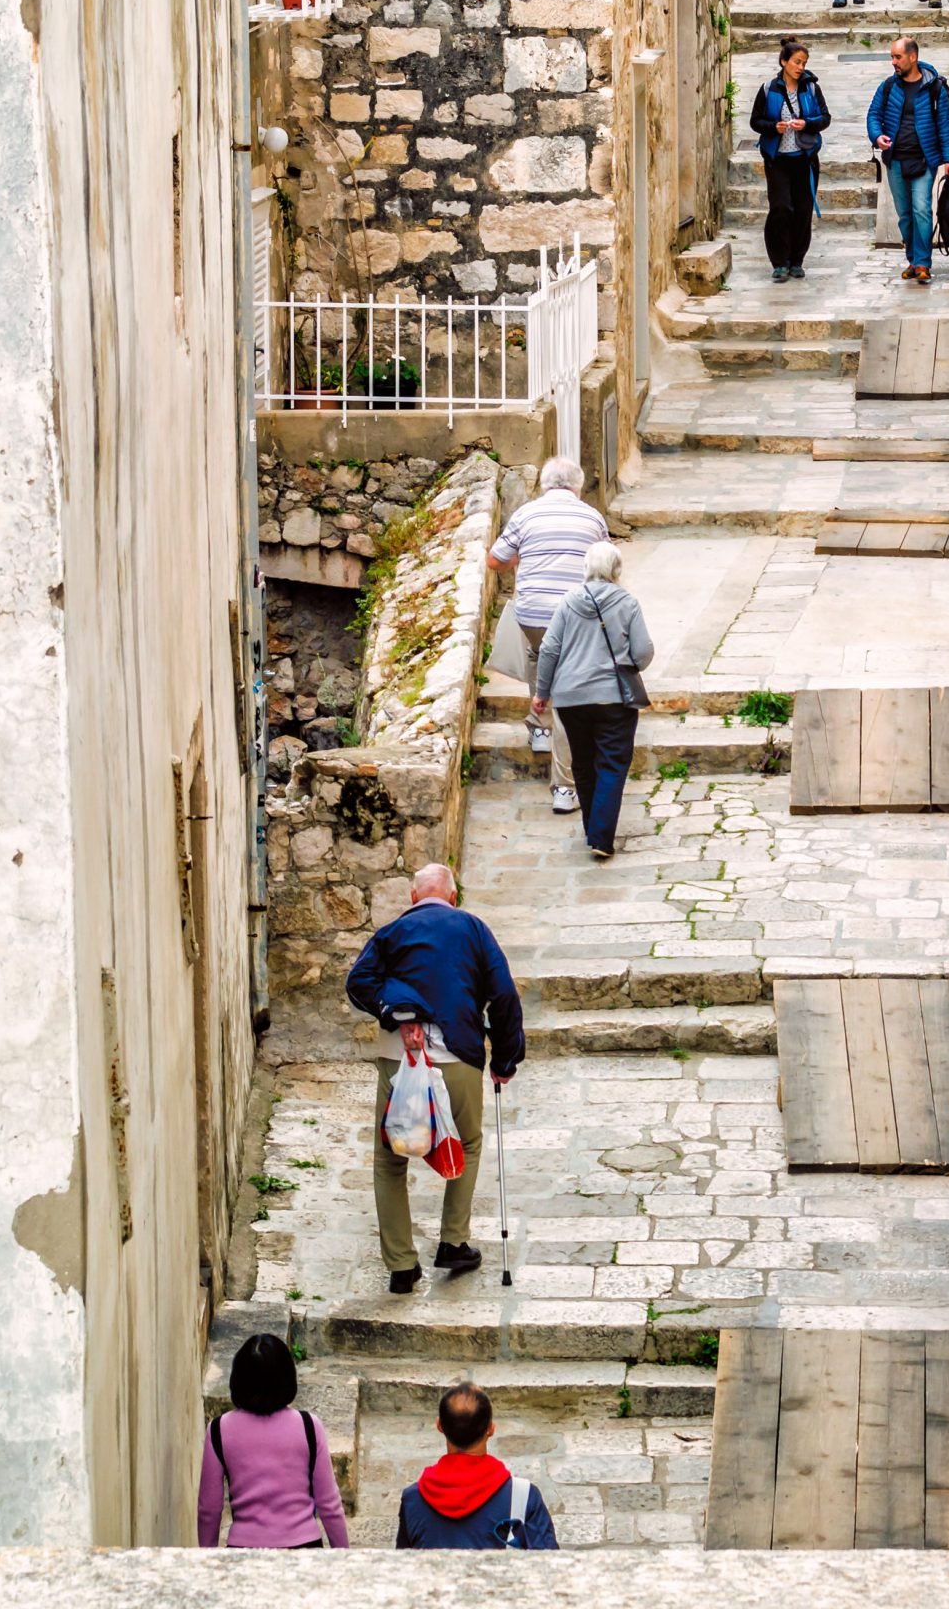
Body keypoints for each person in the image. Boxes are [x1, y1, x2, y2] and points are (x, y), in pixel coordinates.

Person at [346, 863, 525, 1293]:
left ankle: (402, 1266)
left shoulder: (391, 933)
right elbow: (503, 995)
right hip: (457, 1055)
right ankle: (453, 1241)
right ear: (452, 897)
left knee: (390, 1160)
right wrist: (505, 1058)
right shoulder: (473, 929)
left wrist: (396, 1011)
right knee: (467, 1142)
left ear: (413, 897)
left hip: (399, 1059)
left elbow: (359, 982)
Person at [487, 456, 609, 817]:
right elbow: (605, 564)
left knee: (538, 652)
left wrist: (521, 559)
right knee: (568, 697)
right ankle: (564, 788)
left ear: (544, 484)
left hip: (534, 616)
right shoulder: (593, 518)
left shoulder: (526, 515)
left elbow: (495, 560)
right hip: (577, 619)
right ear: (577, 486)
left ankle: (539, 726)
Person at [532, 542, 654, 861]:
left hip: (571, 699)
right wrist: (629, 664)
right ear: (616, 570)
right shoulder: (627, 602)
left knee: (583, 762)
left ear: (586, 568)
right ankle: (600, 836)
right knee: (612, 763)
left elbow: (548, 649)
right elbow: (642, 652)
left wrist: (542, 692)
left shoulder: (569, 602)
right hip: (614, 696)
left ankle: (593, 829)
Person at [198, 1334, 349, 1549]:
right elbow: (329, 1505)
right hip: (304, 1548)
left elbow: (209, 1509)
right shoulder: (308, 1426)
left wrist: (207, 1560)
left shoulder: (219, 1430)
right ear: (287, 1377)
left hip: (244, 1551)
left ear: (238, 1379)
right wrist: (343, 1557)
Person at [396, 1384, 558, 1549]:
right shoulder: (524, 1496)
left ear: (440, 1426)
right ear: (491, 1429)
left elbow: (402, 1567)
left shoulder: (413, 1499)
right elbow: (551, 1567)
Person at [866, 36, 949, 285]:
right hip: (895, 159)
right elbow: (874, 114)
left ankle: (923, 263)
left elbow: (944, 125)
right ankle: (912, 259)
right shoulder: (888, 87)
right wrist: (877, 137)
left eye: (898, 57)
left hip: (924, 159)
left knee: (921, 210)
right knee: (905, 214)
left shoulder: (935, 88)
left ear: (912, 57)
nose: (894, 62)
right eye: (892, 57)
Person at [748, 38, 832, 284]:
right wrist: (775, 127)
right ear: (784, 61)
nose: (801, 67)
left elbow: (825, 118)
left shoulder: (811, 88)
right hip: (778, 160)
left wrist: (806, 124)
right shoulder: (768, 89)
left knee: (803, 210)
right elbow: (755, 122)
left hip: (805, 160)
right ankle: (779, 262)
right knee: (781, 208)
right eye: (797, 62)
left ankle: (797, 261)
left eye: (804, 63)